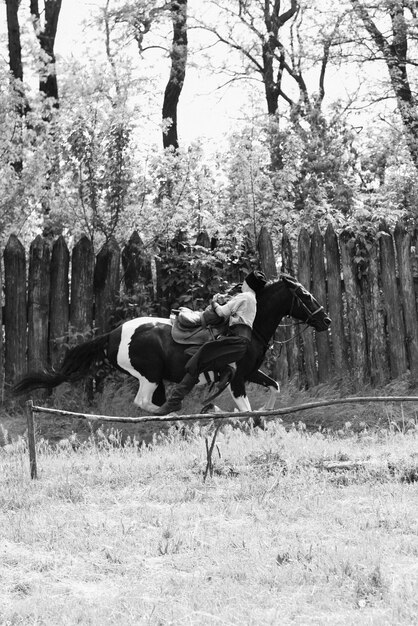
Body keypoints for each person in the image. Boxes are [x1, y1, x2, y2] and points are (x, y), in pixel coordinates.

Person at [153, 270, 267, 415]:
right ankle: (224, 369)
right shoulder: (252, 299)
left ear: (248, 283)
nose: (243, 284)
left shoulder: (244, 296)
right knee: (201, 355)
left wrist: (214, 302)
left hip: (235, 341)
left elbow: (221, 312)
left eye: (245, 281)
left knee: (198, 361)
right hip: (238, 341)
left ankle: (174, 401)